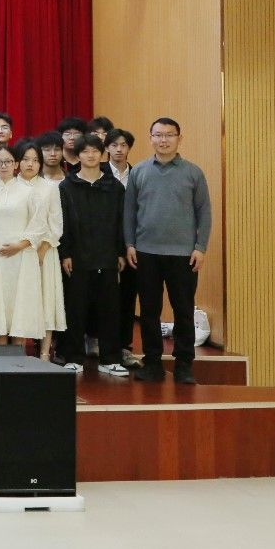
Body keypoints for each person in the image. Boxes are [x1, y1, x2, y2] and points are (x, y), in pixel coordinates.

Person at [123, 117, 211, 386]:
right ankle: (152, 363)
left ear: (179, 139)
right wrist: (130, 244)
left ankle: (184, 365)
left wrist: (200, 247)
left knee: (183, 310)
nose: (163, 140)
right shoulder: (138, 171)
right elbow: (129, 211)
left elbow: (204, 212)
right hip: (145, 252)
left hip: (183, 254)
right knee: (149, 311)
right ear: (150, 138)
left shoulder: (193, 172)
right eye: (158, 135)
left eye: (169, 135)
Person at [58, 136, 130, 377]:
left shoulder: (114, 187)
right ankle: (73, 357)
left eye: (95, 151)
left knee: (109, 309)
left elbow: (120, 222)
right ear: (77, 155)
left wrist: (120, 252)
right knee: (75, 308)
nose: (90, 155)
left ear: (102, 154)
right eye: (85, 151)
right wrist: (65, 253)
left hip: (107, 255)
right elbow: (63, 223)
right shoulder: (67, 186)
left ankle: (110, 359)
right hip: (77, 257)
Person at [0, 144, 48, 346]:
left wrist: (20, 245)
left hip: (22, 254)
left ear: (16, 164)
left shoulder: (29, 191)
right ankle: (1, 353)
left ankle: (19, 354)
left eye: (8, 161)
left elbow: (39, 224)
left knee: (21, 303)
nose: (3, 166)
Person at [13, 139, 68, 359]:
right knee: (21, 303)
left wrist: (42, 250)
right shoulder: (10, 186)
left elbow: (56, 223)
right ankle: (18, 353)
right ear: (17, 161)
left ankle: (45, 353)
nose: (30, 164)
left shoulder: (50, 188)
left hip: (45, 252)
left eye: (35, 160)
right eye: (25, 159)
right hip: (18, 253)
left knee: (46, 302)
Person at [105, 127, 142, 368]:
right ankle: (102, 345)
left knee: (128, 296)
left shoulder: (138, 174)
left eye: (123, 145)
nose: (119, 149)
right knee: (103, 299)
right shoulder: (98, 173)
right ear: (106, 148)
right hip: (103, 245)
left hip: (132, 245)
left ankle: (125, 347)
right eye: (114, 145)